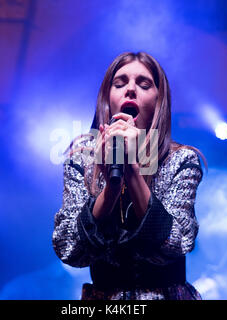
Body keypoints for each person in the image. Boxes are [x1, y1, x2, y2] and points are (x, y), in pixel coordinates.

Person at [52, 52, 206, 300]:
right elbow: (68, 247)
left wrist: (133, 169)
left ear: (159, 101)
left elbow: (177, 242)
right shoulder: (82, 160)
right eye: (120, 83)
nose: (131, 90)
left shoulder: (181, 160)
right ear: (107, 98)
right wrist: (110, 190)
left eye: (144, 84)